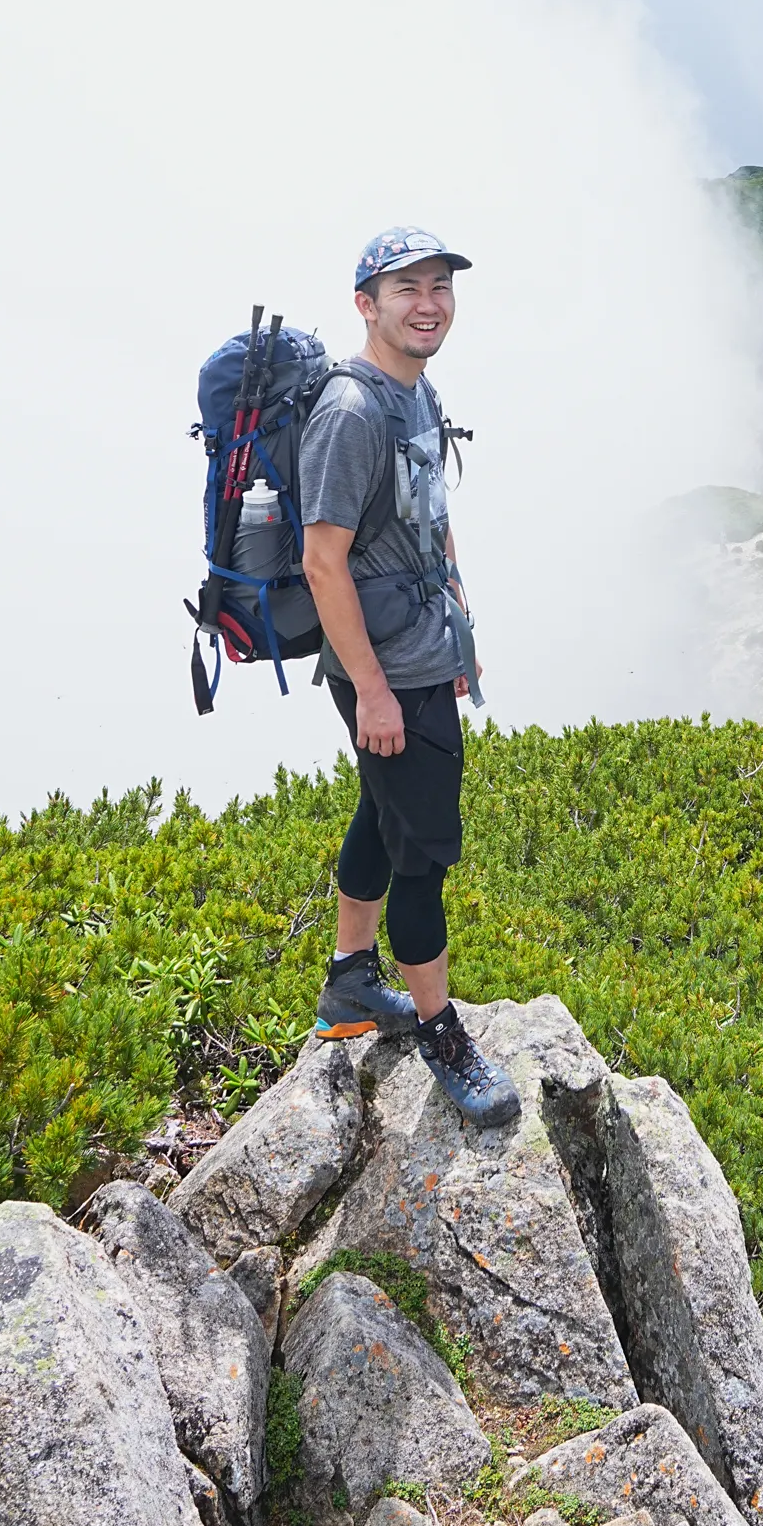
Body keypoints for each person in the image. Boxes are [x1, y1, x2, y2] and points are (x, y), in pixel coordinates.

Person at [301, 225, 518, 1127]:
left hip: (427, 651)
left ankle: (350, 985)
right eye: (407, 289)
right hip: (385, 668)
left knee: (381, 817)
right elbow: (323, 563)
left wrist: (460, 625)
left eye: (440, 287)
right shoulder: (351, 415)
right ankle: (441, 1034)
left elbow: (432, 517)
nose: (429, 303)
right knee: (424, 856)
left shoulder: (417, 392)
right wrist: (376, 692)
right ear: (366, 304)